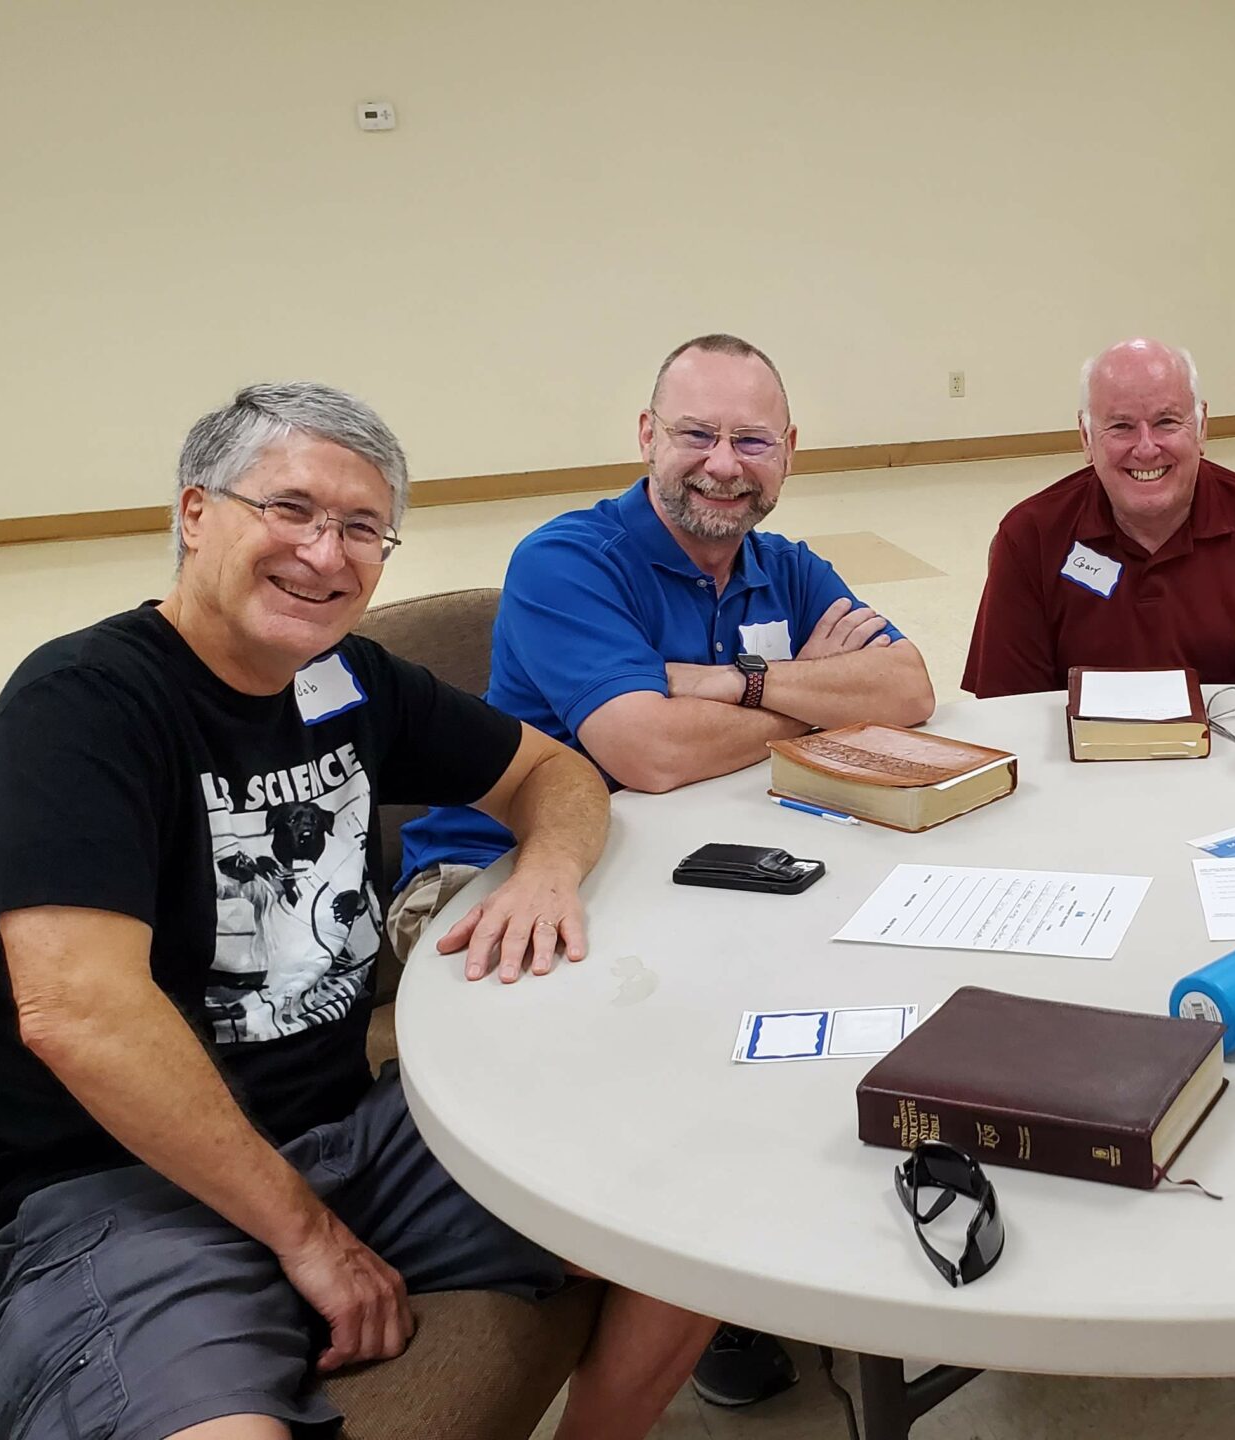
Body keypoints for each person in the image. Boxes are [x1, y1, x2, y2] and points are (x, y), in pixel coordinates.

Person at [0, 383, 717, 1440]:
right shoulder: (80, 708)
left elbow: (555, 774)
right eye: (291, 509)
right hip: (114, 1196)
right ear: (194, 513)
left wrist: (544, 872)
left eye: (362, 528)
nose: (326, 552)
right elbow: (75, 1013)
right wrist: (305, 1234)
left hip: (351, 1140)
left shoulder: (345, 679)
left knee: (699, 1211)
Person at [397, 333, 932, 1409]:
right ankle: (692, 1264)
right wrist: (796, 689)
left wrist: (717, 680)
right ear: (647, 437)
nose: (722, 464)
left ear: (789, 450)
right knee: (666, 1096)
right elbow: (646, 753)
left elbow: (912, 688)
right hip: (509, 878)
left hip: (697, 861)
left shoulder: (784, 564)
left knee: (860, 975)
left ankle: (746, 1268)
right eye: (695, 434)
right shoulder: (569, 561)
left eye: (750, 439)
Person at [960, 337, 1235, 696]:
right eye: (1121, 426)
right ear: (1086, 438)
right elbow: (1010, 714)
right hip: (1073, 757)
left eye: (1167, 422)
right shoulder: (1030, 536)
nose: (1146, 448)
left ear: (1202, 427)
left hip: (1231, 754)